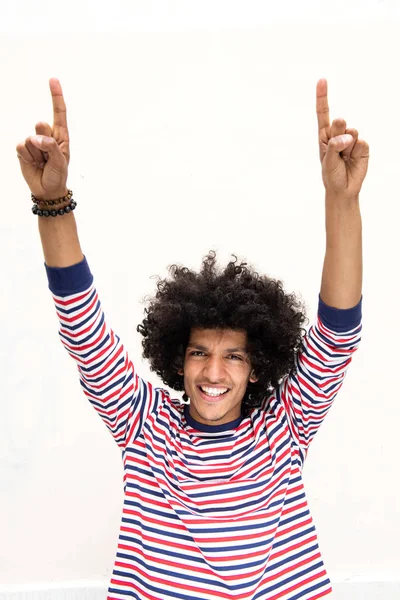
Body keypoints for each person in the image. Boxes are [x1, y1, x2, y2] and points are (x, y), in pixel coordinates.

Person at [16, 77, 369, 600]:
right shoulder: (144, 427)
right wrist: (54, 204)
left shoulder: (284, 426)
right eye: (200, 352)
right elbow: (83, 328)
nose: (213, 373)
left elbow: (337, 333)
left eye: (234, 357)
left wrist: (341, 201)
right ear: (178, 358)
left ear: (256, 368)